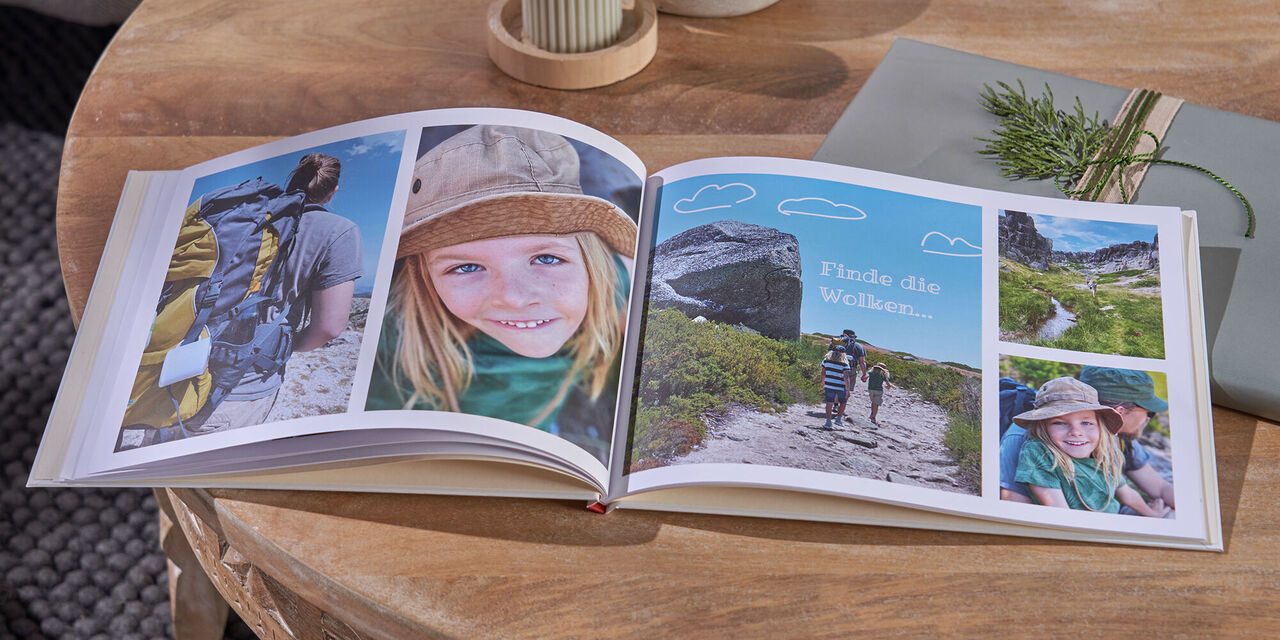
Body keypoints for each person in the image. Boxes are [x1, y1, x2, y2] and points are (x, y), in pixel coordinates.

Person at [366, 125, 638, 441]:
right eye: (466, 267)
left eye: (547, 259)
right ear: (422, 273)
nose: (514, 298)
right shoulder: (387, 330)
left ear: (592, 263)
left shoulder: (611, 282)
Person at [141, 153, 363, 443]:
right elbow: (330, 327)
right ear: (333, 192)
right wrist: (282, 347)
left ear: (293, 179)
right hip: (240, 389)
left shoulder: (246, 213)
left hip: (175, 368)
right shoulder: (340, 232)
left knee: (157, 458)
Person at [1012, 377, 1169, 516]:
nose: (1076, 432)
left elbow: (1126, 493)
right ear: (1043, 427)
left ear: (1100, 427)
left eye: (1086, 423)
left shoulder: (1105, 450)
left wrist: (1152, 514)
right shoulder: (1039, 452)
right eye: (1059, 423)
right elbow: (1059, 512)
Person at [1079, 366, 1176, 513]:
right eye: (1149, 412)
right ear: (1120, 413)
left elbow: (1161, 487)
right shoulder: (1062, 443)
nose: (1147, 419)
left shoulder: (1123, 441)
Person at [820, 345, 852, 429]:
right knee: (843, 402)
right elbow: (846, 377)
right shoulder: (845, 363)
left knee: (829, 402)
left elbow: (823, 373)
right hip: (840, 386)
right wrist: (848, 389)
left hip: (829, 384)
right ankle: (838, 419)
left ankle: (828, 421)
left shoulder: (826, 361)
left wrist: (823, 383)